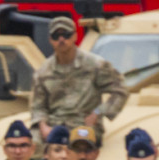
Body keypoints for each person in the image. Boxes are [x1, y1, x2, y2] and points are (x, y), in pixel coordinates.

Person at [31, 16, 128, 144]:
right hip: (55, 124)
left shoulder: (95, 65)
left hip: (84, 125)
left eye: (66, 35)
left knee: (79, 142)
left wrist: (98, 112)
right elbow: (38, 106)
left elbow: (120, 90)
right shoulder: (43, 71)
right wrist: (43, 126)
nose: (61, 39)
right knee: (30, 142)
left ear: (75, 36)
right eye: (56, 36)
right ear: (50, 40)